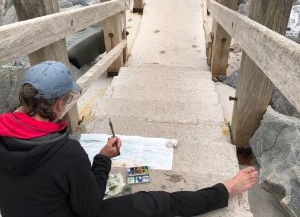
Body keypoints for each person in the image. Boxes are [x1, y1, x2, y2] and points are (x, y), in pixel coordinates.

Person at [0, 61, 258, 217]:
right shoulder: (66, 153)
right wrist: (102, 159)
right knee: (159, 202)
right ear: (58, 105)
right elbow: (88, 210)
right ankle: (225, 190)